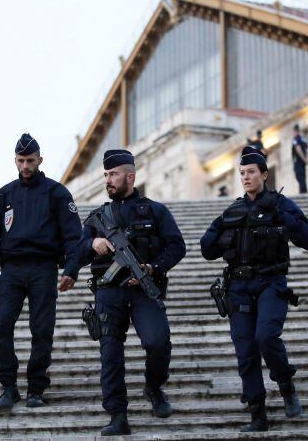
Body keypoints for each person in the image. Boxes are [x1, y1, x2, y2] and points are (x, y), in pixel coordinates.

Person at [200, 146, 308, 432]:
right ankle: (257, 414)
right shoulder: (233, 210)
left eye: (251, 172)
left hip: (270, 283)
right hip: (238, 287)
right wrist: (227, 230)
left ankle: (286, 384)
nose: (246, 177)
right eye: (242, 173)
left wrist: (282, 216)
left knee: (266, 336)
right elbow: (206, 248)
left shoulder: (281, 204)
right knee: (245, 351)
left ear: (265, 174)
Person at [78, 149, 186, 436]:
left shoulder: (155, 211)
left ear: (130, 176)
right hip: (108, 293)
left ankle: (153, 388)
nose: (108, 180)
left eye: (113, 175)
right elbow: (73, 253)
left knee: (158, 343)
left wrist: (153, 267)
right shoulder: (96, 219)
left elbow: (177, 246)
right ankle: (117, 414)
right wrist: (92, 244)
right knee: (110, 355)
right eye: (105, 175)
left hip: (143, 291)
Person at [0, 133, 82, 411]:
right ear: (15, 160)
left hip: (43, 268)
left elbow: (74, 236)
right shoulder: (4, 195)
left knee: (42, 329)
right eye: (21, 161)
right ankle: (8, 387)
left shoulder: (57, 193)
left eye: (30, 160)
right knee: (2, 327)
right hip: (10, 270)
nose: (25, 166)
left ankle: (36, 388)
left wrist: (71, 268)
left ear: (40, 160)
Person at [291, 124, 308, 193]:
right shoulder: (303, 139)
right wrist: (306, 159)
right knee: (303, 176)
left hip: (298, 161)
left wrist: (304, 159)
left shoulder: (296, 139)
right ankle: (303, 190)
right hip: (302, 162)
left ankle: (303, 191)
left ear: (295, 131)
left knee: (299, 175)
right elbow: (307, 149)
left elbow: (298, 149)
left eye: (293, 132)